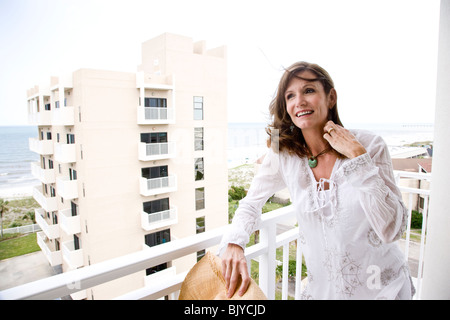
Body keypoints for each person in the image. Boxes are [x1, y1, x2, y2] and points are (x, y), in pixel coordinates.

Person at [219, 61, 415, 300]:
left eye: (309, 90)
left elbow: (391, 229)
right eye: (290, 96)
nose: (299, 101)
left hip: (383, 290)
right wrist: (235, 243)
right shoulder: (284, 156)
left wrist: (358, 159)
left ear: (330, 97)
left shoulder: (370, 146)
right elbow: (251, 203)